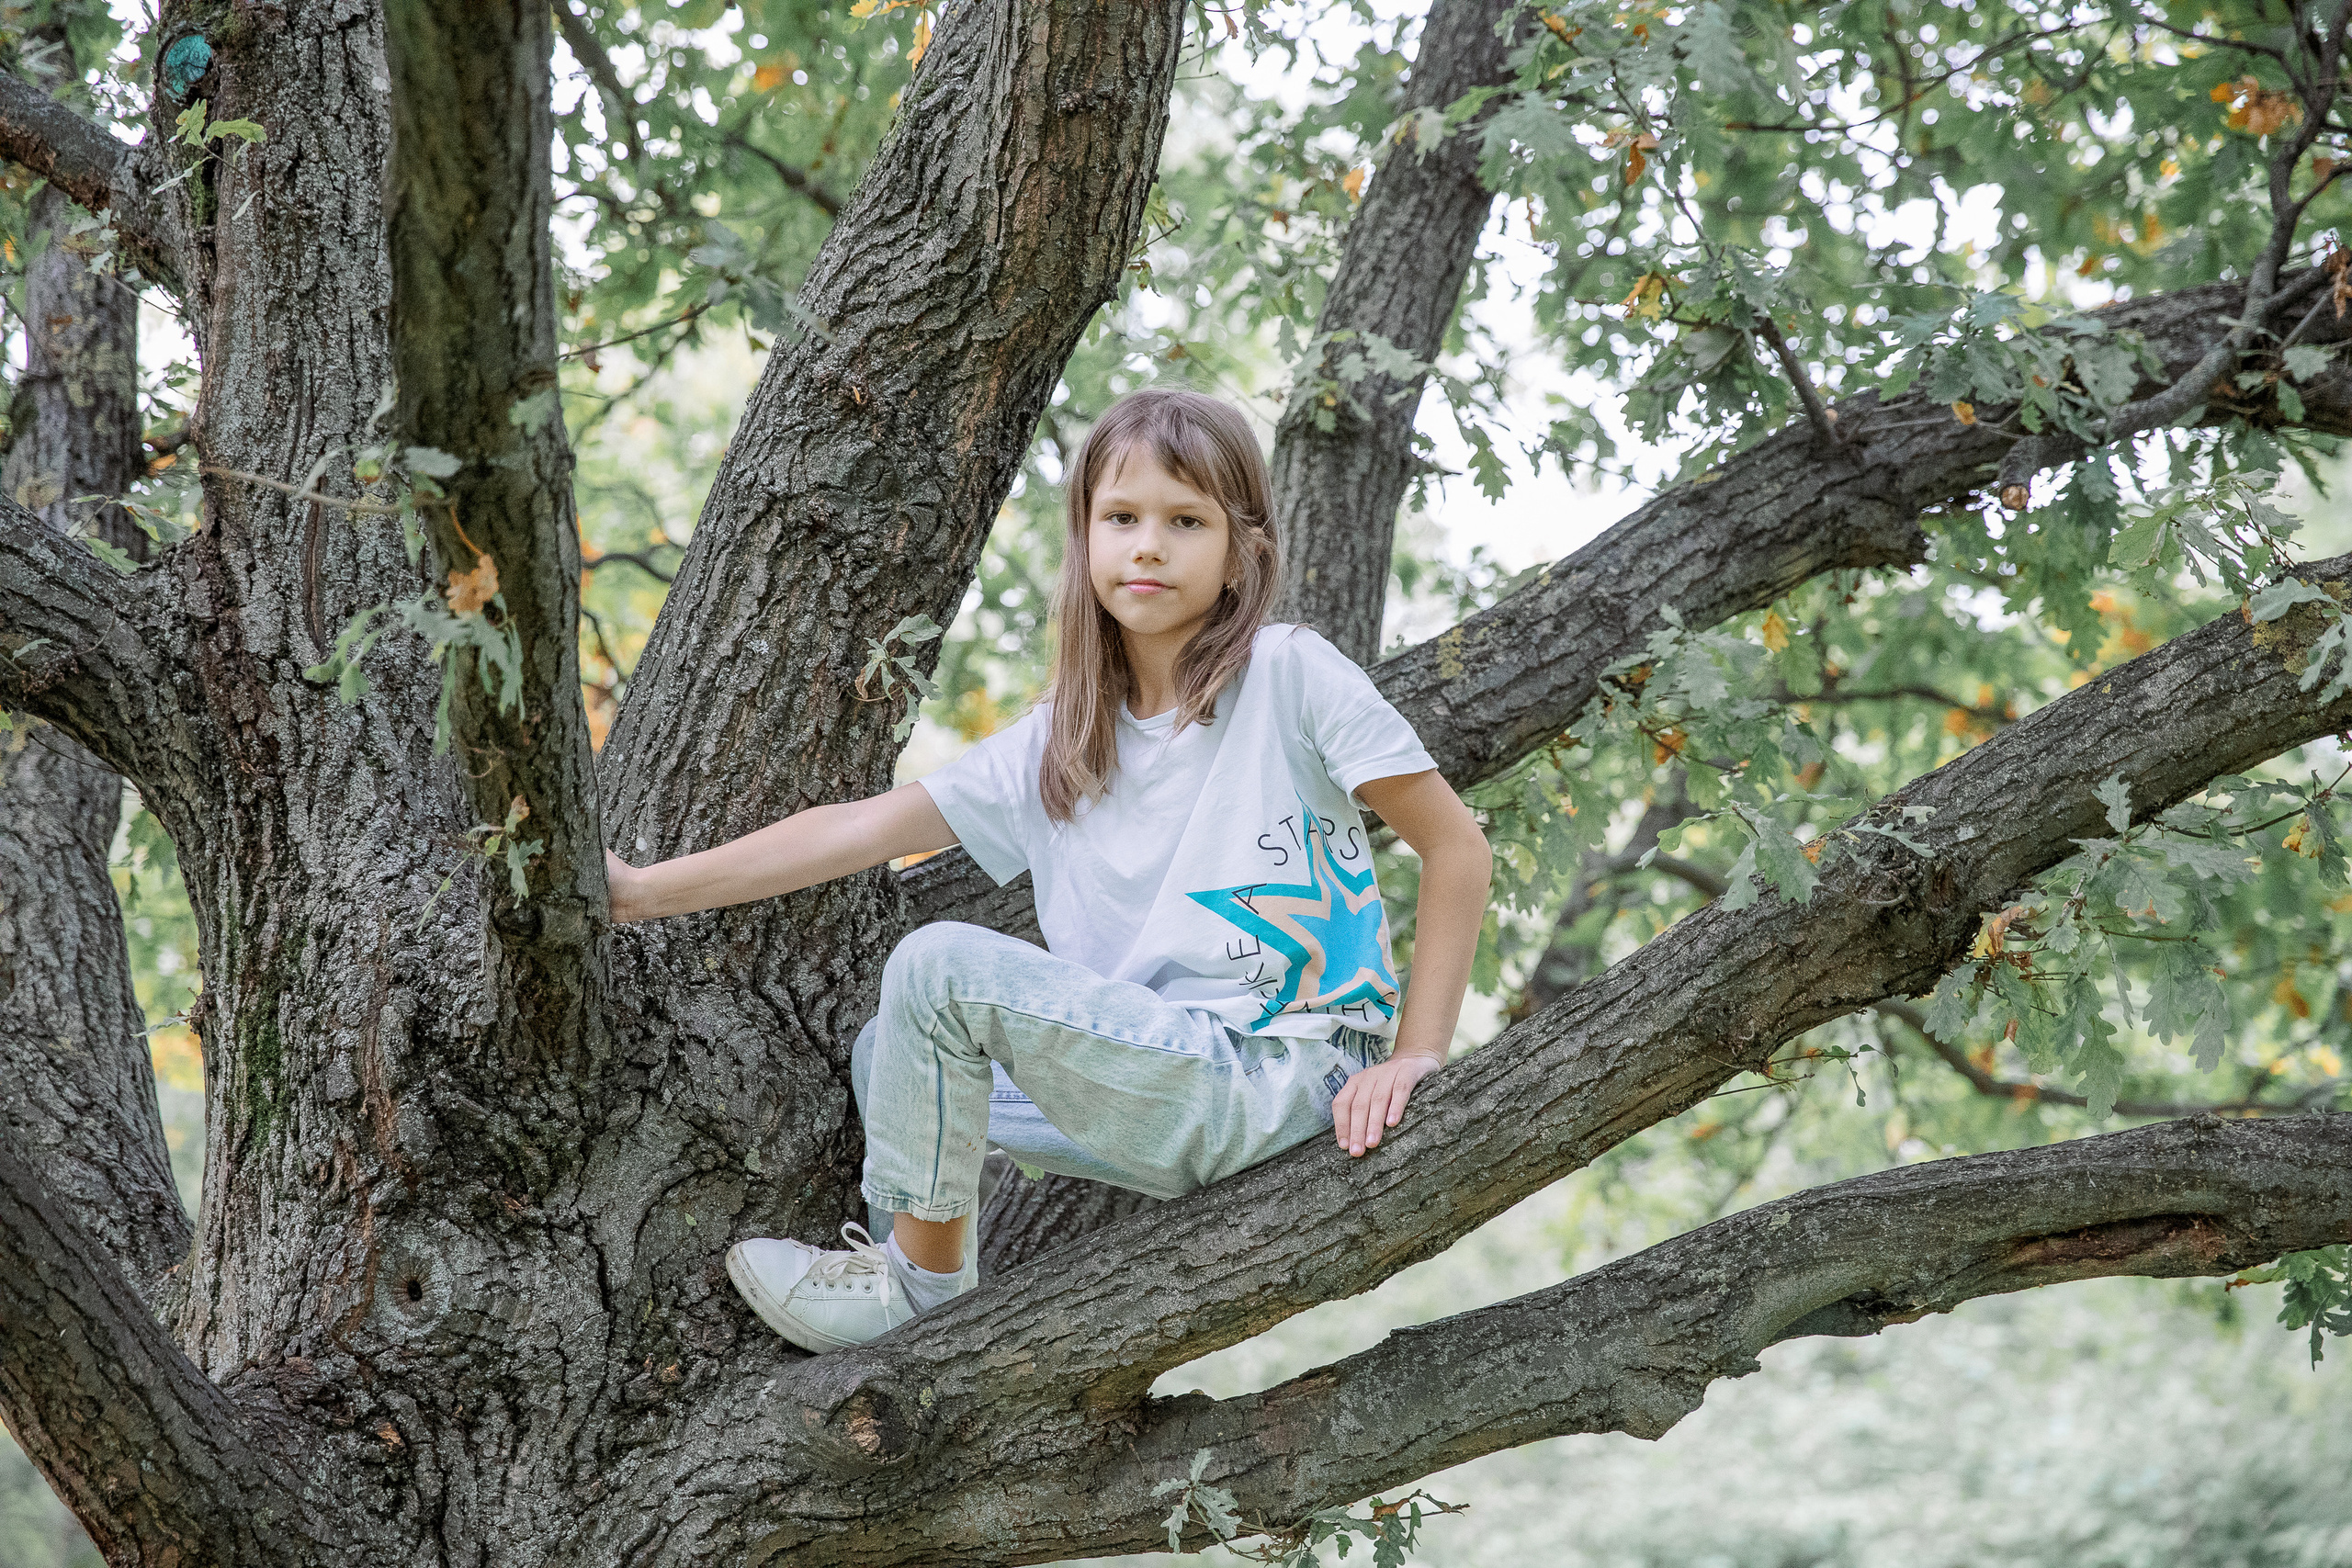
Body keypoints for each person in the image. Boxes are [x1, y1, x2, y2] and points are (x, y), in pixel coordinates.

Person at [605, 388, 1493, 1354]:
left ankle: (914, 1292)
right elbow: (859, 829)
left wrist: (1413, 1054)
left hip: (1277, 1075)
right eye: (1121, 518)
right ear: (1085, 540)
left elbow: (1456, 846)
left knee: (937, 966)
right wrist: (645, 891)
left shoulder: (1288, 672)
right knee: (887, 1058)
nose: (1147, 546)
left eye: (1184, 521)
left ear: (1244, 550)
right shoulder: (1063, 740)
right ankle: (929, 1264)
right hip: (1161, 1082)